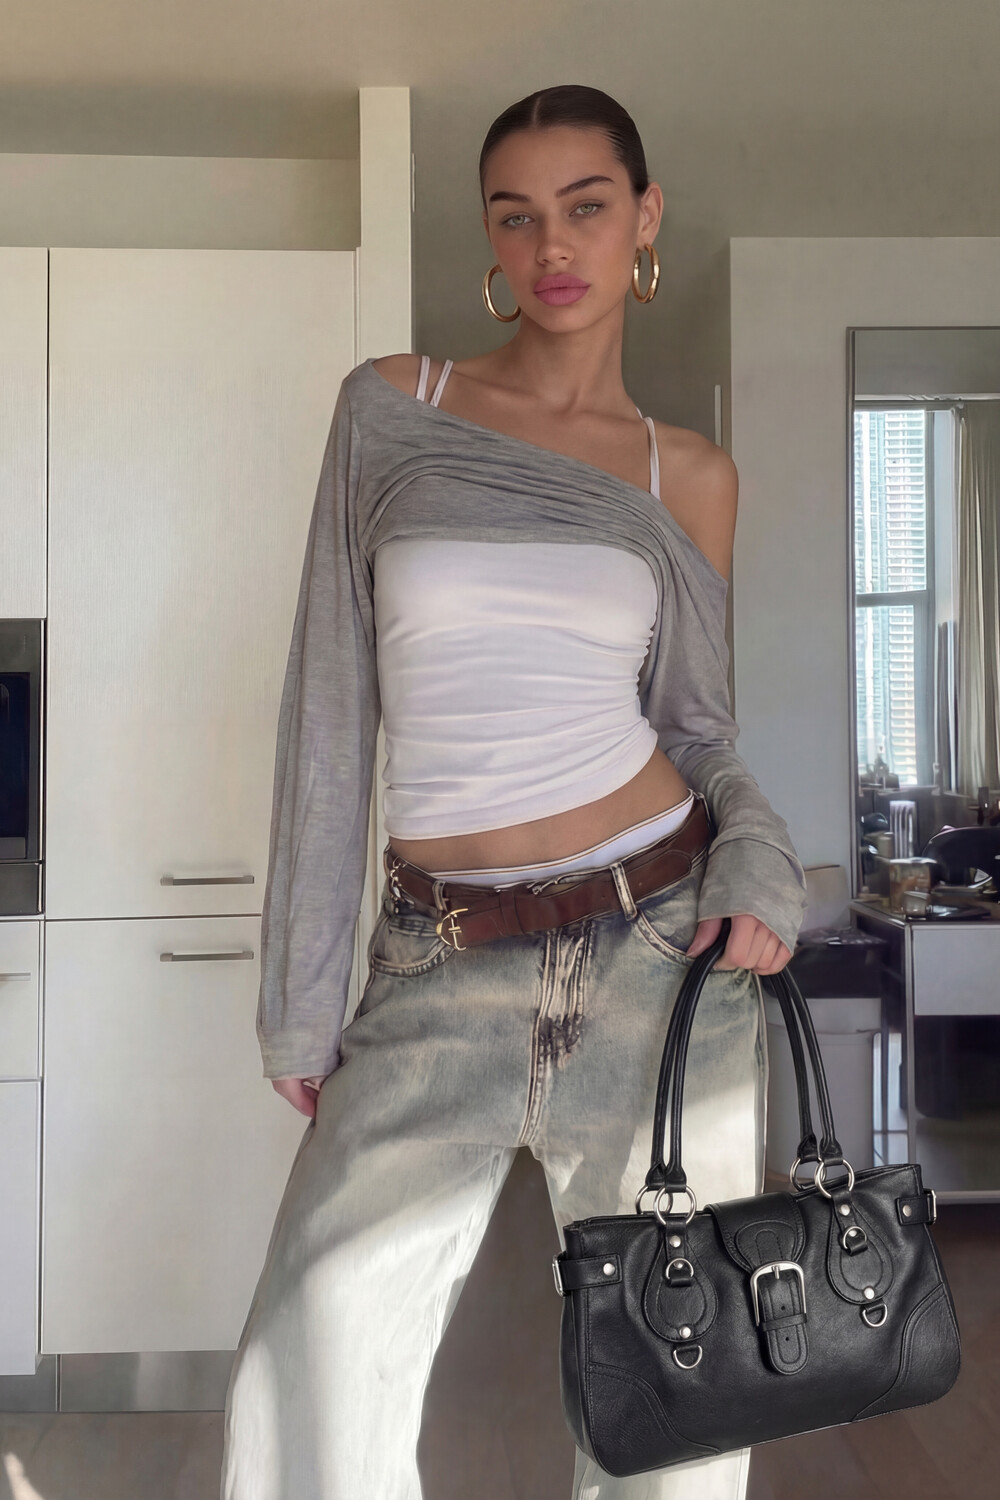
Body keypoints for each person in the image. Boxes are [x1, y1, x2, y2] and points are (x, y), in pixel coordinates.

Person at [220, 84, 808, 1500]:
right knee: (310, 1378)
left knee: (675, 1417)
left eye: (586, 207)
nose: (553, 245)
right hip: (438, 959)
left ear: (644, 218)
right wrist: (304, 984)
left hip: (662, 950)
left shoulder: (687, 473)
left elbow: (700, 730)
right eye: (517, 214)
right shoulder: (392, 409)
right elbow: (329, 709)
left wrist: (759, 854)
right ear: (490, 237)